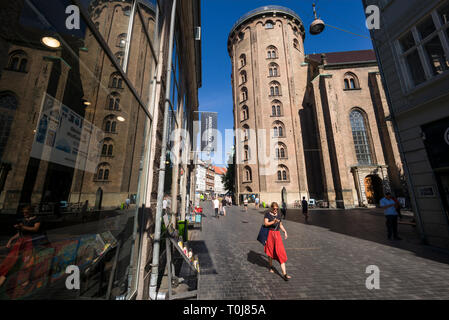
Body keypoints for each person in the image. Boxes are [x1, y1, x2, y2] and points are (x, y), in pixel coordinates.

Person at [0, 206, 42, 288]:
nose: (25, 214)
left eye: (26, 212)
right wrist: (11, 240)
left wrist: (22, 227)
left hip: (30, 241)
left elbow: (35, 229)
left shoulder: (37, 219)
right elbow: (19, 233)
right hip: (21, 241)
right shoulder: (23, 220)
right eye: (24, 212)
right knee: (11, 259)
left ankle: (26, 280)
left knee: (27, 260)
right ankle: (3, 276)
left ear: (31, 212)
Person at [264, 202, 291, 281]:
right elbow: (266, 224)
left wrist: (285, 231)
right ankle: (271, 266)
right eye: (274, 208)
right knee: (270, 251)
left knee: (280, 252)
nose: (275, 210)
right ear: (271, 208)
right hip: (270, 234)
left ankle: (285, 274)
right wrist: (273, 221)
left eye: (277, 209)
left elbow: (280, 225)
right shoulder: (267, 214)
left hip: (277, 235)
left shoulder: (279, 215)